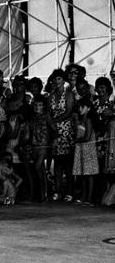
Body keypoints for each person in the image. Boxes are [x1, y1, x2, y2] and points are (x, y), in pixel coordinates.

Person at [46, 68, 75, 202]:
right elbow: (48, 113)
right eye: (54, 79)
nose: (56, 81)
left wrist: (55, 121)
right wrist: (52, 125)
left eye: (59, 79)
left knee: (67, 163)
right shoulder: (50, 96)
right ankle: (57, 191)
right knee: (57, 162)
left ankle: (69, 192)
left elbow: (69, 112)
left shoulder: (69, 94)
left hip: (66, 130)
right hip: (54, 131)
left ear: (63, 80)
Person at [72, 98, 99, 204]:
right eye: (79, 107)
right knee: (83, 174)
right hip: (81, 148)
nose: (79, 109)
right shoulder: (81, 119)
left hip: (88, 149)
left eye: (82, 107)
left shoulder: (88, 119)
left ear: (88, 108)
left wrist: (76, 140)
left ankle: (89, 197)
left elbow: (87, 137)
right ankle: (84, 196)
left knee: (89, 174)